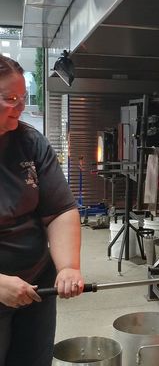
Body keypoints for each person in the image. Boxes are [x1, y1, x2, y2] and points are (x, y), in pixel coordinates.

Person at [0, 54, 84, 365]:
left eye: (23, 97)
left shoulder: (30, 142)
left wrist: (68, 267)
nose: (21, 107)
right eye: (10, 99)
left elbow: (59, 210)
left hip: (36, 286)